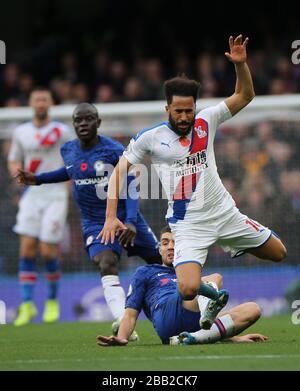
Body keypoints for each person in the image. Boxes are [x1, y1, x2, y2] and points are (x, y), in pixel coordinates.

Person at [99, 35, 287, 329]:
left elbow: (246, 95)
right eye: (179, 111)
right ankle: (212, 296)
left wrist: (240, 65)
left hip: (225, 214)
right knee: (187, 288)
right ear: (167, 110)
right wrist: (111, 217)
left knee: (279, 253)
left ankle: (232, 244)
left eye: (189, 110)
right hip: (189, 225)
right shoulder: (151, 138)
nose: (185, 117)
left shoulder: (207, 120)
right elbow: (118, 172)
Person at [15, 102, 161, 339]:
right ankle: (123, 321)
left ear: (98, 122)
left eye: (88, 119)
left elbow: (131, 184)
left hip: (126, 218)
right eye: (78, 120)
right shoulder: (69, 150)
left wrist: (132, 221)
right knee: (106, 263)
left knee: (162, 261)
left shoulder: (114, 150)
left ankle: (183, 308)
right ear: (74, 124)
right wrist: (38, 179)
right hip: (95, 222)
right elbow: (71, 172)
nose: (83, 124)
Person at [97, 226, 267, 346]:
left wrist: (236, 339)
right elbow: (130, 315)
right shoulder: (146, 272)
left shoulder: (189, 273)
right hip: (166, 313)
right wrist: (121, 337)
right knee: (215, 278)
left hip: (194, 323)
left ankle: (194, 338)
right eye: (165, 243)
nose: (170, 247)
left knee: (253, 309)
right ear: (159, 249)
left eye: (175, 243)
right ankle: (206, 317)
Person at [8, 87, 73, 326]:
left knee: (47, 251)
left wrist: (68, 186)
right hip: (31, 195)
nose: (41, 103)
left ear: (51, 103)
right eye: (37, 99)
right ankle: (26, 305)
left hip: (55, 193)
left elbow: (72, 158)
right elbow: (14, 158)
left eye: (45, 99)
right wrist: (17, 175)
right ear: (31, 103)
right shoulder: (21, 132)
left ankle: (52, 301)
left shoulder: (62, 131)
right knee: (26, 249)